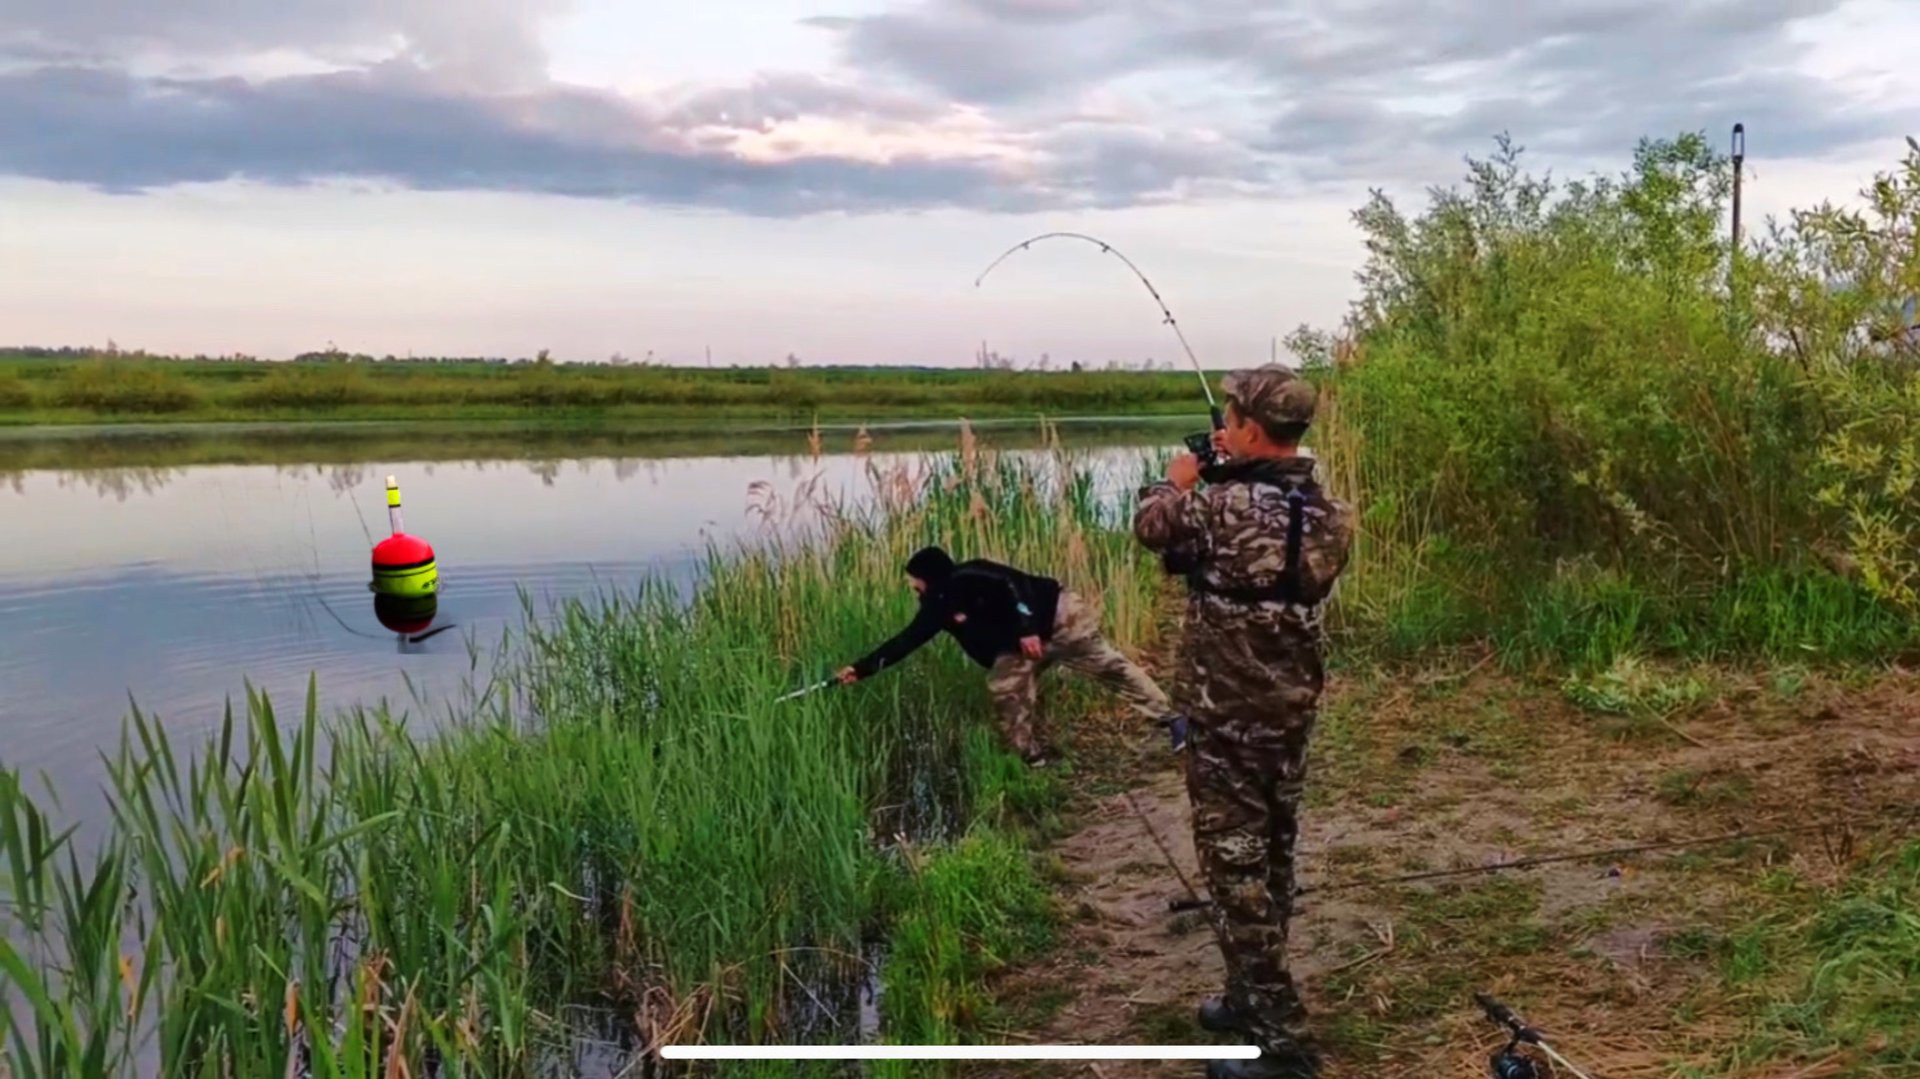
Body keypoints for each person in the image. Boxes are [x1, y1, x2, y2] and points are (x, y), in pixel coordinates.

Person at [1132, 365, 1355, 1079]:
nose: (1222, 427)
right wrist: (1231, 474)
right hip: (1289, 710)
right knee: (1273, 856)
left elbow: (1153, 527)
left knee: (1234, 877)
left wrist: (1178, 477)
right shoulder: (1330, 511)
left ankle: (1285, 1046)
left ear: (1254, 429)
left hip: (1225, 717)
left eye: (1230, 418)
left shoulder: (1214, 506)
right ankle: (1243, 996)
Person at [837, 545, 1178, 763]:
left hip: (1060, 620)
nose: (913, 586)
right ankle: (1029, 757)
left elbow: (1016, 586)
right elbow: (906, 641)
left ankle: (1173, 719)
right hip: (1020, 646)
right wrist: (862, 668)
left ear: (930, 577)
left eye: (915, 580)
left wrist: (1026, 626)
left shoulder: (972, 572)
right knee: (1004, 687)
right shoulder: (936, 607)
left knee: (1111, 668)